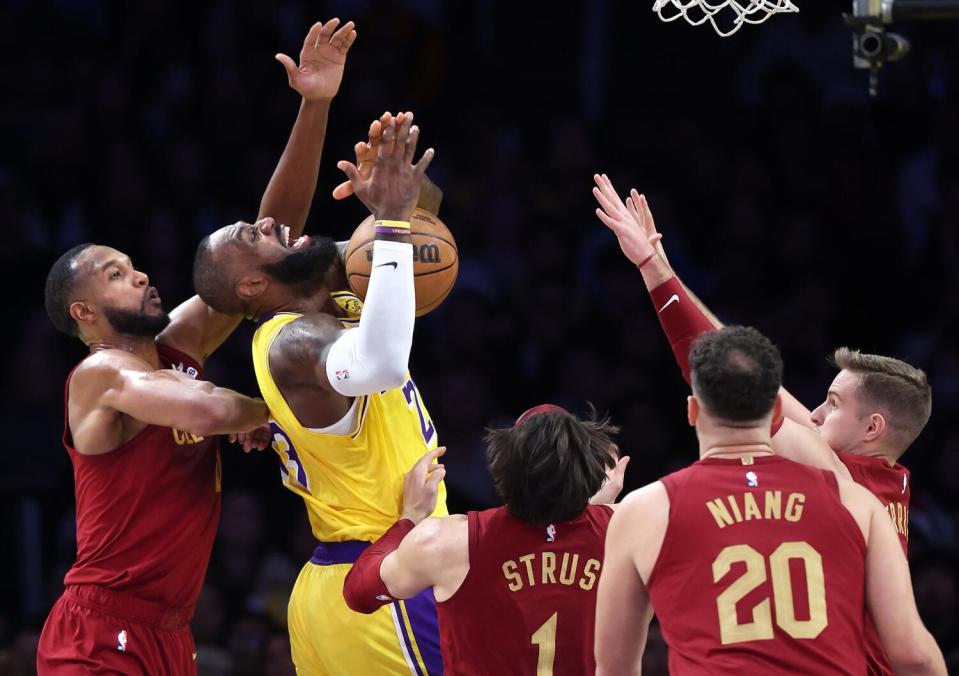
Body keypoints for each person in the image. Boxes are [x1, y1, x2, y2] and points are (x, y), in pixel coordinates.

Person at [36, 18, 358, 674]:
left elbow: (268, 252)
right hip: (99, 631)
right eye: (116, 274)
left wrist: (314, 104)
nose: (142, 274)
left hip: (168, 632)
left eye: (134, 264)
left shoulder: (177, 349)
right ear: (84, 311)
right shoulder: (98, 375)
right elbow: (208, 411)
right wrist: (265, 411)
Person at [592, 173, 932, 674]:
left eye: (833, 405)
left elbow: (730, 375)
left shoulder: (848, 483)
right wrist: (657, 264)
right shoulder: (888, 485)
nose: (814, 413)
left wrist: (652, 268)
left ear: (872, 429)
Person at [192, 111, 446, 674]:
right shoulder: (291, 343)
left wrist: (393, 180)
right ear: (254, 286)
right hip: (382, 578)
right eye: (250, 236)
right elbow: (381, 364)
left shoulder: (322, 280)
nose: (267, 224)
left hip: (351, 577)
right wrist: (394, 219)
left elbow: (423, 224)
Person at [595, 327, 946, 676]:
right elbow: (913, 655)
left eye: (833, 404)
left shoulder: (644, 509)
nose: (815, 415)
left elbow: (614, 666)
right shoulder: (858, 500)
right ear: (777, 408)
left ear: (692, 411)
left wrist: (598, 509)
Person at [342, 404, 629, 675]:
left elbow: (357, 593)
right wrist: (596, 509)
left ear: (501, 466)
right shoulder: (631, 529)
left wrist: (409, 518)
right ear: (592, 468)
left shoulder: (445, 541)